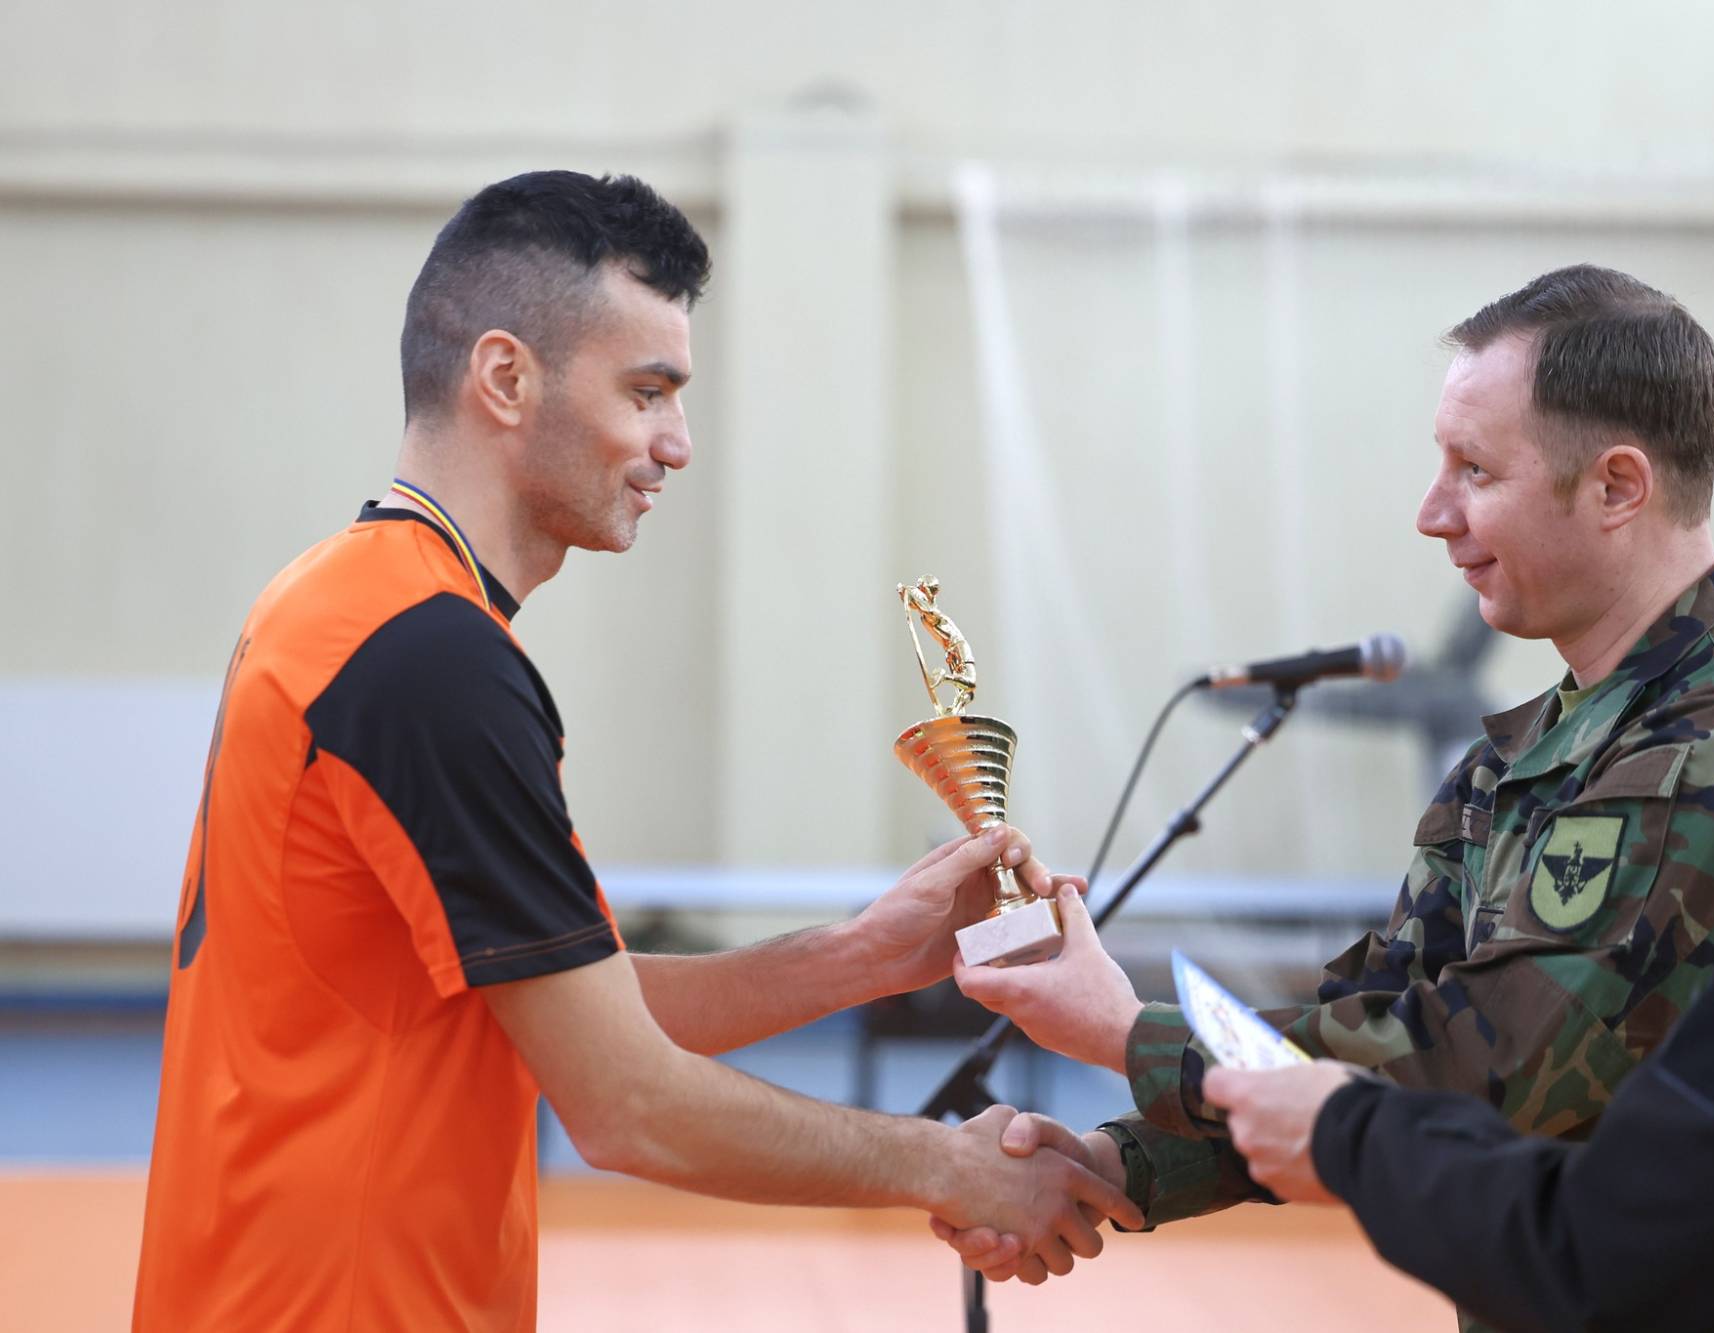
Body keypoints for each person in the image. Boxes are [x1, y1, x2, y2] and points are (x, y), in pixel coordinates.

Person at [130, 171, 1138, 1332]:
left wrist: (861, 953)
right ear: (505, 378)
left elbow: (572, 1012)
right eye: (646, 392)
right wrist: (947, 1165)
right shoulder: (430, 662)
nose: (678, 444)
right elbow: (626, 1104)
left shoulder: (341, 604)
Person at [934, 266, 1714, 1290]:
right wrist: (1116, 1164)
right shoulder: (1542, 746)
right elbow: (1379, 1019)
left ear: (1616, 487)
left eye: (1475, 470)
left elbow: (1489, 1067)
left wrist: (1127, 1031)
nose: (1433, 513)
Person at [1208, 368, 1714, 1331]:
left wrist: (1328, 1122)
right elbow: (1396, 991)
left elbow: (1608, 1239)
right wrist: (1119, 1154)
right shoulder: (1524, 750)